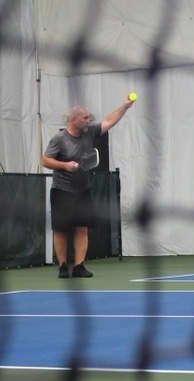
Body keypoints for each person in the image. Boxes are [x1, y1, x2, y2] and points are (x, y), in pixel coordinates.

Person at [41, 99, 134, 279]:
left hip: (83, 191)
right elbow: (45, 160)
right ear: (74, 119)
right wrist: (65, 165)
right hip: (61, 190)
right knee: (60, 230)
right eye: (85, 118)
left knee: (82, 229)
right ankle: (62, 267)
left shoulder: (89, 132)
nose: (88, 121)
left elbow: (108, 121)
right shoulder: (59, 139)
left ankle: (79, 266)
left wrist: (125, 106)